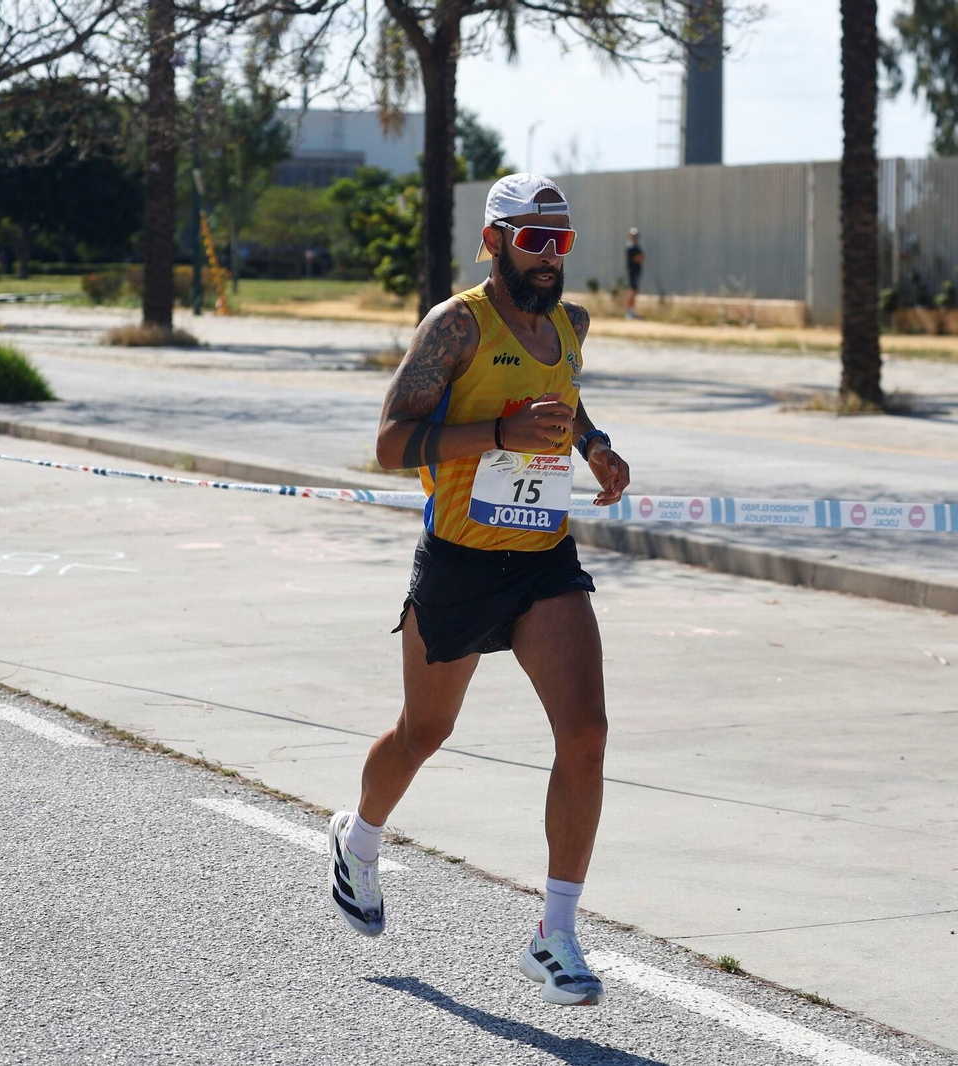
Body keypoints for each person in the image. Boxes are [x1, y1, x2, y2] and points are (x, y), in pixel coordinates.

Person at [328, 173, 632, 1007]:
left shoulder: (572, 325)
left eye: (561, 241)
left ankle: (556, 934)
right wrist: (499, 432)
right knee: (424, 732)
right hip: (460, 559)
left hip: (542, 560)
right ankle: (358, 840)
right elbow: (392, 444)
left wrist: (596, 447)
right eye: (534, 240)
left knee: (589, 733)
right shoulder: (456, 324)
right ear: (495, 240)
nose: (549, 257)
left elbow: (567, 403)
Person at [624, 228, 644, 319]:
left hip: (636, 271)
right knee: (632, 292)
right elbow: (638, 258)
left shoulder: (637, 247)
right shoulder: (631, 248)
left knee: (634, 291)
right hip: (632, 272)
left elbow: (642, 258)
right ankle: (629, 312)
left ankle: (632, 311)